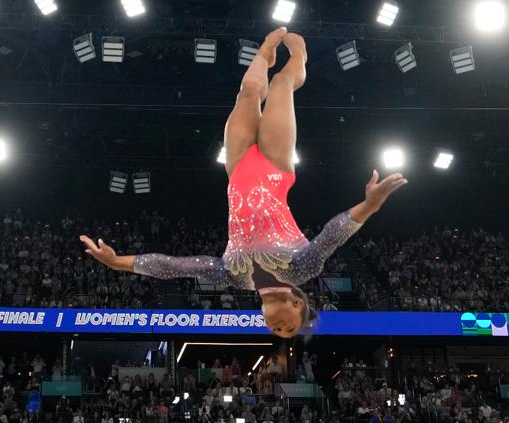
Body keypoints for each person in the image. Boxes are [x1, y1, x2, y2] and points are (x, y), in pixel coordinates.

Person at [80, 28, 408, 338]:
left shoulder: (234, 277)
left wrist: (118, 262)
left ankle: (264, 55)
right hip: (276, 168)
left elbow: (175, 266)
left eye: (276, 332)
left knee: (248, 95)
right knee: (280, 85)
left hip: (237, 169)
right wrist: (370, 205)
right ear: (298, 305)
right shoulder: (301, 271)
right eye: (289, 328)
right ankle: (299, 60)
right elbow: (331, 236)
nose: (279, 329)